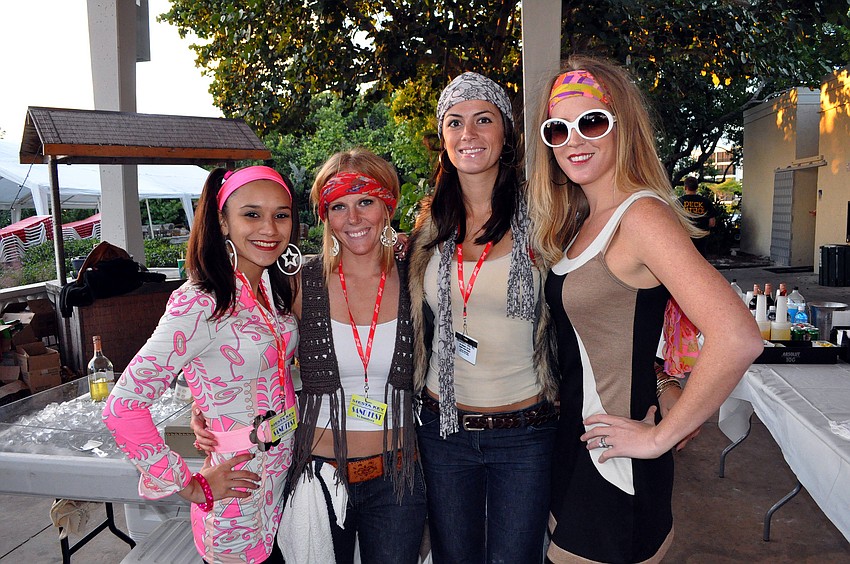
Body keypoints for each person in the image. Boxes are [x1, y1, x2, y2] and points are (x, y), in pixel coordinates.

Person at [527, 55, 762, 563]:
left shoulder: (641, 216)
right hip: (580, 448)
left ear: (622, 127)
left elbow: (738, 335)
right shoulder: (583, 221)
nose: (574, 140)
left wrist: (660, 438)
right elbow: (623, 331)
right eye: (557, 129)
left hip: (618, 463)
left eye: (592, 122)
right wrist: (663, 383)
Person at [194, 149, 427, 564]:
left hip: (398, 476)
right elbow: (247, 348)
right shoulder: (298, 282)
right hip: (318, 473)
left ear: (388, 205)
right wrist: (202, 405)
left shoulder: (418, 274)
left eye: (366, 202)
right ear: (324, 215)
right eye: (338, 206)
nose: (353, 219)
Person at [102, 165, 301, 564]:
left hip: (282, 483)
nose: (270, 228)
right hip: (237, 497)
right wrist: (190, 485)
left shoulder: (269, 288)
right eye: (252, 214)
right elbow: (123, 406)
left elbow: (241, 369)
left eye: (281, 214)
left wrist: (202, 403)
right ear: (223, 221)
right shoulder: (201, 301)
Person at [407, 71, 559, 563]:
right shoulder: (430, 225)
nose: (468, 134)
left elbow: (596, 302)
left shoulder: (545, 217)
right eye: (455, 122)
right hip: (444, 429)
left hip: (526, 432)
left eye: (483, 120)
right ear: (443, 138)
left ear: (506, 133)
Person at [678, 176, 717, 256]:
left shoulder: (679, 202)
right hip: (702, 236)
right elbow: (712, 223)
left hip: (685, 236)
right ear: (697, 187)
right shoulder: (706, 202)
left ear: (685, 187)